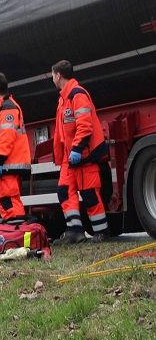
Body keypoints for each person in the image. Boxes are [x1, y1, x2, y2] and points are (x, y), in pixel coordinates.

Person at [50, 60, 109, 244]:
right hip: (71, 158)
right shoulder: (64, 98)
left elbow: (85, 126)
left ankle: (101, 232)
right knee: (64, 191)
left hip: (84, 156)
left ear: (58, 75)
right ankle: (74, 231)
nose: (52, 78)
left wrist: (77, 149)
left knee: (90, 195)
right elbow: (64, 132)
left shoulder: (77, 95)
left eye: (52, 75)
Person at [0, 72, 31, 221]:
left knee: (9, 199)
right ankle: (15, 233)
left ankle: (18, 233)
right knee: (7, 200)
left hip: (8, 163)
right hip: (5, 164)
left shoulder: (7, 107)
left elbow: (7, 136)